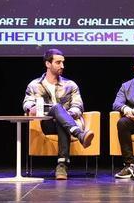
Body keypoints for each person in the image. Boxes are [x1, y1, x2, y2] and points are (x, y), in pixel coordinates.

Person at [22, 48, 93, 180]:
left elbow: (78, 106)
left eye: (63, 62)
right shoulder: (34, 85)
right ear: (48, 64)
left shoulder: (70, 85)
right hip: (47, 124)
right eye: (58, 62)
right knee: (56, 109)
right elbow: (26, 103)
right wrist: (30, 108)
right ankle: (79, 135)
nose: (62, 66)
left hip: (67, 122)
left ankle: (62, 165)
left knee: (61, 118)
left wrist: (64, 116)